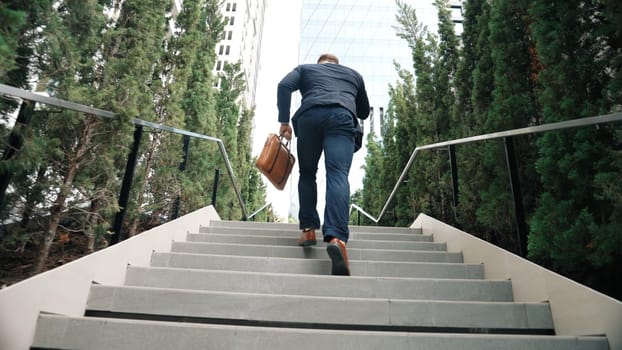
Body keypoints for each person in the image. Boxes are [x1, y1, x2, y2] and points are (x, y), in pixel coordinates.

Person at [276, 53, 370, 276]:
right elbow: (364, 112)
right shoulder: (353, 75)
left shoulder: (305, 69)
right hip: (341, 117)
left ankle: (308, 230)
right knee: (337, 175)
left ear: (320, 64)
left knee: (307, 173)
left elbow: (284, 85)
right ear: (337, 65)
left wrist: (283, 121)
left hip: (309, 117)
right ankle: (336, 237)